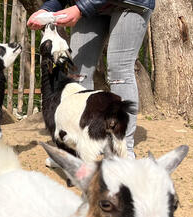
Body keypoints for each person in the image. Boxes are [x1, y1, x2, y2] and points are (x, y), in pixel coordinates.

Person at [27, 0, 154, 159]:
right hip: (91, 6)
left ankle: (123, 152)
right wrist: (48, 8)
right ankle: (75, 149)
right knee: (78, 71)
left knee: (119, 71)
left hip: (130, 4)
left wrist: (81, 8)